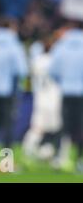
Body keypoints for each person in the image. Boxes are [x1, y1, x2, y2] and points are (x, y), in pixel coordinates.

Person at [0, 19, 28, 149]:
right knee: (8, 121)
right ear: (11, 27)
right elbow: (22, 70)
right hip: (8, 90)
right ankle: (6, 149)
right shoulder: (14, 45)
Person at [22, 36, 62, 165]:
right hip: (54, 98)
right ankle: (58, 157)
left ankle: (27, 150)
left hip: (40, 98)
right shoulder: (55, 61)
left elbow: (30, 76)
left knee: (37, 128)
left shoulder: (37, 61)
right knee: (57, 128)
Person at [49, 22, 83, 173]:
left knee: (64, 125)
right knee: (81, 127)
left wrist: (63, 82)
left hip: (66, 91)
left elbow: (53, 70)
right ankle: (80, 161)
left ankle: (59, 158)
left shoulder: (62, 45)